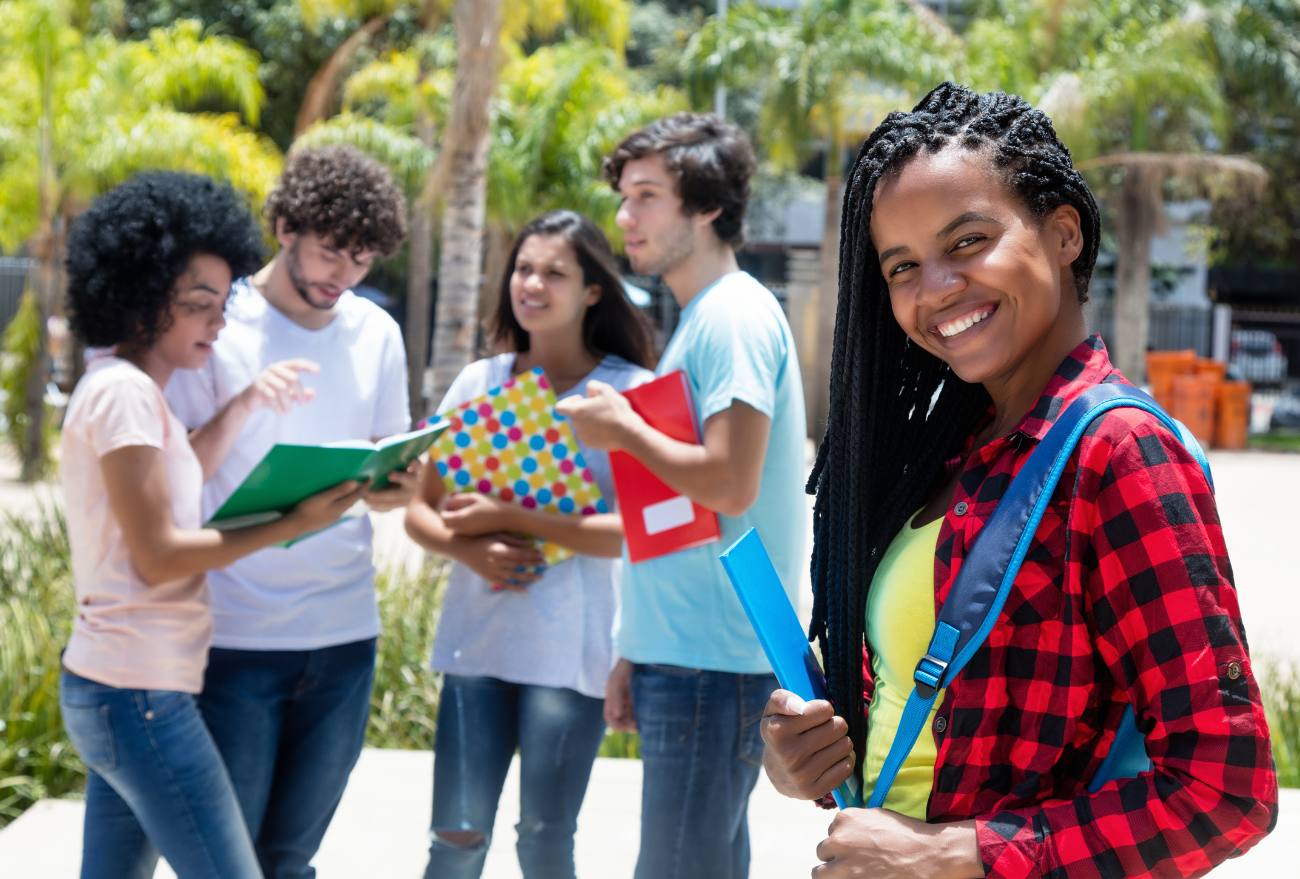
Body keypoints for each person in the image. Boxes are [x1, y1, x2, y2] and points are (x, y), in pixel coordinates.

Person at [760, 84, 1278, 879]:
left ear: (1064, 231)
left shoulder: (1118, 450)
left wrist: (954, 851)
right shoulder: (953, 450)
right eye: (902, 265)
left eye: (967, 240)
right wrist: (812, 751)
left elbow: (1225, 789)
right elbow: (925, 697)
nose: (933, 287)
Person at [59, 171, 368, 879]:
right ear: (139, 300)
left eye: (223, 305)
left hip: (117, 686)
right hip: (137, 695)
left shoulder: (130, 394)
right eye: (199, 305)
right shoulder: (127, 396)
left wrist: (244, 403)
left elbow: (181, 471)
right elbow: (162, 553)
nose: (218, 323)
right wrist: (294, 520)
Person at [557, 114, 808, 879]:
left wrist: (621, 428)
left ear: (706, 206)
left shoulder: (730, 315)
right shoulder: (706, 317)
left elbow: (729, 477)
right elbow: (684, 511)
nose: (624, 216)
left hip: (712, 661)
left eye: (646, 196)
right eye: (624, 196)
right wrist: (639, 644)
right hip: (689, 656)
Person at [163, 146, 413, 879]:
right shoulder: (217, 322)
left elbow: (389, 481)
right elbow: (172, 468)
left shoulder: (377, 333)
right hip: (235, 636)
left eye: (362, 258)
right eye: (331, 250)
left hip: (344, 636)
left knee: (290, 860)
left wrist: (396, 479)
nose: (343, 274)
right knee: (226, 860)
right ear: (282, 226)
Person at [403, 209, 655, 879]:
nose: (532, 283)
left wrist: (506, 513)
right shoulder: (477, 383)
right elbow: (420, 513)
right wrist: (469, 549)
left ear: (594, 289)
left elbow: (630, 533)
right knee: (453, 842)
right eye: (523, 268)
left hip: (570, 658)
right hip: (475, 648)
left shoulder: (626, 393)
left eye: (554, 271)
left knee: (545, 841)